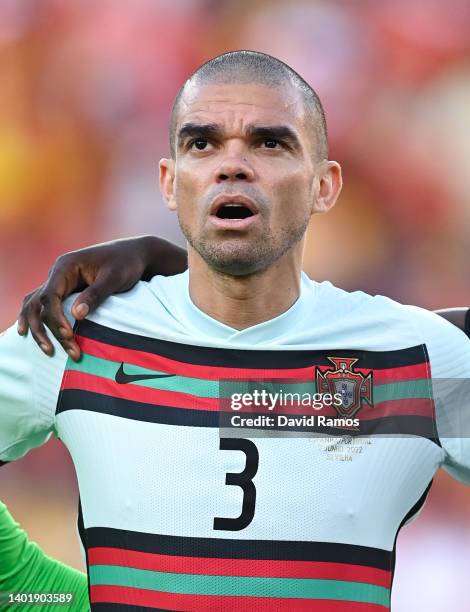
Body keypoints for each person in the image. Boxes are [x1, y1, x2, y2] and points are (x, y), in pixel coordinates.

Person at [2, 50, 470, 611]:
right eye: (202, 143)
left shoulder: (415, 357)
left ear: (325, 186)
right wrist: (60, 599)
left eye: (270, 143)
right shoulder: (78, 336)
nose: (233, 165)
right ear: (170, 182)